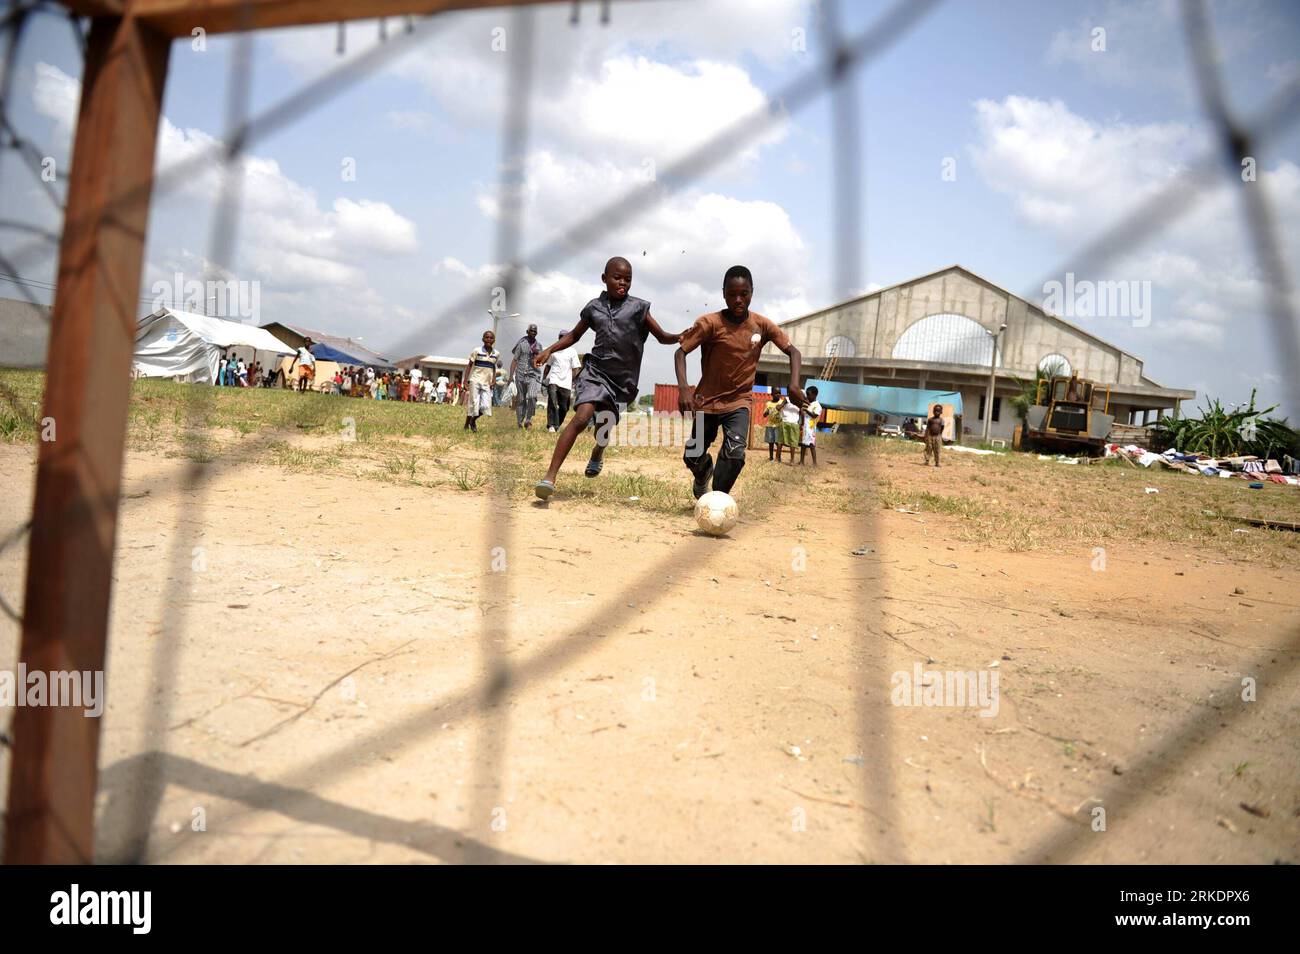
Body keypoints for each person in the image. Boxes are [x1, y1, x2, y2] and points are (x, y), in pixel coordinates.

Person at [532, 256, 680, 499]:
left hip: (623, 380)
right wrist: (549, 350)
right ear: (604, 279)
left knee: (605, 425)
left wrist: (680, 336)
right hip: (596, 372)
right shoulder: (594, 308)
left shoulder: (638, 308)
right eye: (617, 278)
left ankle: (598, 452)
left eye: (628, 279)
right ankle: (550, 476)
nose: (623, 283)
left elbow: (662, 336)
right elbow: (574, 336)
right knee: (581, 417)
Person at [675, 265, 804, 497]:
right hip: (707, 401)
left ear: (752, 293)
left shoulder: (762, 325)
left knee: (735, 452)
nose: (738, 300)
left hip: (739, 402)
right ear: (723, 293)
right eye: (732, 294)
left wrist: (793, 384)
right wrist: (684, 389)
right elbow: (680, 353)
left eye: (743, 294)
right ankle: (703, 473)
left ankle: (716, 499)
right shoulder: (710, 323)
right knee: (693, 454)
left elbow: (794, 352)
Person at [544, 329, 582, 433]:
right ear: (559, 338)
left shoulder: (572, 351)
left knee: (564, 408)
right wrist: (544, 379)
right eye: (561, 337)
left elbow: (576, 368)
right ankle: (551, 425)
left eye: (565, 337)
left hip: (566, 384)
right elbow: (548, 366)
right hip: (554, 380)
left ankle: (557, 424)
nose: (562, 339)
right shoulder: (553, 350)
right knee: (552, 402)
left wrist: (574, 381)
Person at [462, 330, 501, 432]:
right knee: (473, 404)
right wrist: (465, 380)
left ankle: (473, 421)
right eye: (486, 337)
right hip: (475, 380)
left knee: (486, 406)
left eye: (491, 338)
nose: (489, 339)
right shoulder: (477, 350)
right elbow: (469, 365)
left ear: (494, 340)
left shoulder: (496, 354)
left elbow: (493, 367)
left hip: (486, 383)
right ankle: (466, 425)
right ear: (483, 339)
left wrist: (493, 380)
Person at [509, 323, 544, 428]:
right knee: (521, 399)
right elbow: (515, 360)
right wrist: (511, 376)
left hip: (533, 375)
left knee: (532, 396)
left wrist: (536, 357)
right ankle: (519, 421)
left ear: (536, 333)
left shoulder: (539, 346)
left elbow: (541, 363)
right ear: (527, 332)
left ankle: (528, 420)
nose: (533, 333)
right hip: (520, 375)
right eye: (531, 331)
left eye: (535, 331)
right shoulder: (522, 344)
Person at [799, 386, 822, 466]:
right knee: (803, 444)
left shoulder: (817, 405)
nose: (808, 396)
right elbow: (803, 414)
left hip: (811, 429)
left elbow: (814, 415)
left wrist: (806, 410)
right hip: (805, 427)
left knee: (812, 445)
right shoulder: (807, 404)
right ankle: (801, 462)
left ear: (815, 395)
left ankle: (814, 463)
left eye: (809, 395)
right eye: (807, 395)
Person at [764, 388, 787, 461]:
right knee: (771, 442)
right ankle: (771, 457)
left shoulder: (782, 402)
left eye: (779, 393)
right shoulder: (768, 403)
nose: (778, 395)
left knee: (778, 442)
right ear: (772, 394)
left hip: (779, 425)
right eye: (776, 393)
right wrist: (766, 413)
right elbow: (764, 414)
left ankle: (778, 457)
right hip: (770, 425)